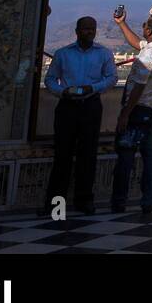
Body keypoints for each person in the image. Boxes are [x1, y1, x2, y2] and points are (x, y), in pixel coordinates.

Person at [42, 16, 116, 215]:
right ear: (77, 31)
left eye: (92, 29)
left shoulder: (103, 54)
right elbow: (49, 80)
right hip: (67, 106)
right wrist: (62, 92)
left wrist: (92, 87)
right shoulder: (63, 54)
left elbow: (111, 78)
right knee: (62, 155)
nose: (89, 32)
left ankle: (84, 200)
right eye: (85, 29)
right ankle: (56, 203)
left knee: (88, 155)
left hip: (90, 105)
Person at [110, 10, 152, 213]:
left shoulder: (150, 55)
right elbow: (138, 44)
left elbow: (138, 87)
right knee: (149, 158)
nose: (143, 28)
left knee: (126, 157)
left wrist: (125, 114)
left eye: (145, 26)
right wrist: (122, 24)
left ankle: (119, 201)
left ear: (150, 31)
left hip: (138, 112)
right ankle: (149, 200)